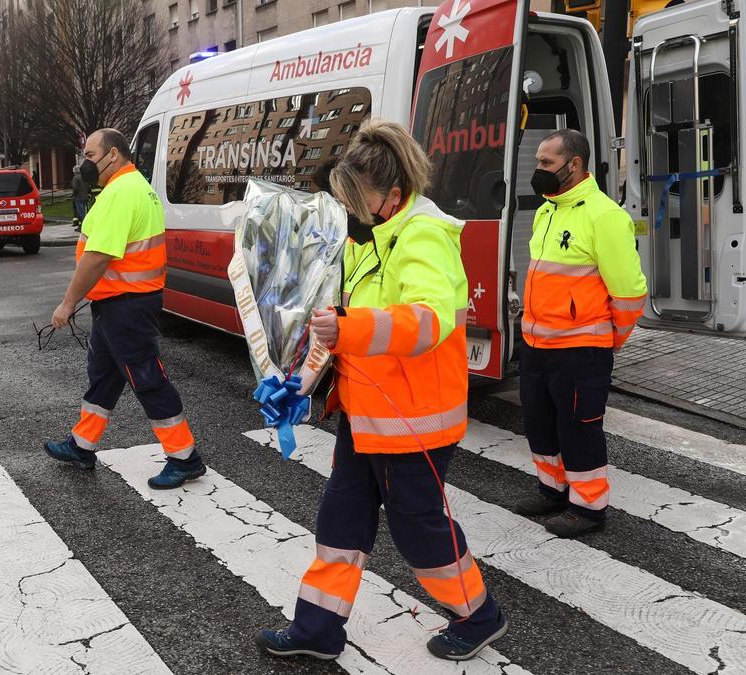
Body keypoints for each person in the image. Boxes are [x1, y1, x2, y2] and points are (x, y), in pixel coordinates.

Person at [256, 120, 507, 662]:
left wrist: (347, 327)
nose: (350, 209)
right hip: (368, 417)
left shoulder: (422, 236)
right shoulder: (372, 238)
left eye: (357, 198)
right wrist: (299, 376)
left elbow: (425, 321)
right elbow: (337, 317)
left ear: (392, 194)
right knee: (340, 523)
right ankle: (317, 629)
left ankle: (478, 614)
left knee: (421, 533)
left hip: (414, 422)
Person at [44, 128, 206, 489]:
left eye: (89, 154)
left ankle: (185, 458)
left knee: (146, 377)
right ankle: (82, 445)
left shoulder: (120, 193)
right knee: (104, 374)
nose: (84, 163)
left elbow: (98, 256)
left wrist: (68, 303)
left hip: (126, 306)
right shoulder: (135, 187)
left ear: (112, 154)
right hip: (119, 302)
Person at [515, 129, 647, 537]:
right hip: (537, 344)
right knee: (541, 422)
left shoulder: (605, 216)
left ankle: (588, 509)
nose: (538, 171)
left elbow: (629, 292)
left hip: (580, 349)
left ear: (574, 164)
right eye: (538, 161)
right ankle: (551, 490)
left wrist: (606, 340)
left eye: (546, 163)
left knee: (579, 428)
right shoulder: (546, 210)